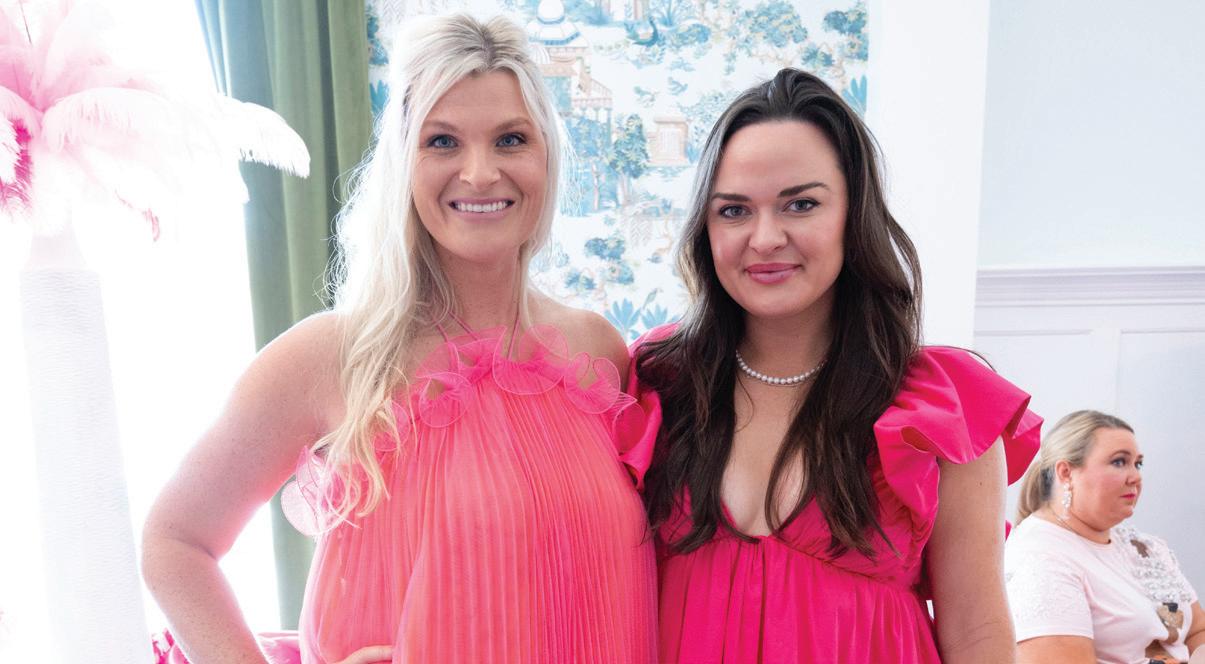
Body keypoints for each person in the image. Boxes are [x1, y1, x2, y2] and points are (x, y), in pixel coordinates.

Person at [142, 14, 657, 664]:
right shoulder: (329, 357)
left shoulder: (597, 352)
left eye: (510, 139)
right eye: (442, 141)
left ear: (546, 156)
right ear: (402, 163)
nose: (479, 173)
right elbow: (174, 542)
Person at [627, 67, 1042, 663]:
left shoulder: (941, 409)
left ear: (854, 213)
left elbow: (977, 635)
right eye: (734, 210)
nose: (765, 238)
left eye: (801, 204)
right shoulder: (655, 383)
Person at [1007, 410, 1204, 664]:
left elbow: (1198, 630)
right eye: (1119, 462)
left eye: (1138, 464)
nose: (1136, 477)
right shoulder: (1039, 557)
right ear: (1066, 472)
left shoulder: (1145, 547)